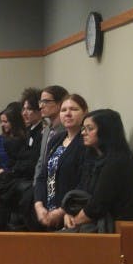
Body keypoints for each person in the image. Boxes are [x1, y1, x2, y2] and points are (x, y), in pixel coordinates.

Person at [64, 109, 133, 232]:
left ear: (106, 130)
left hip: (110, 227)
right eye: (83, 128)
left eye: (90, 128)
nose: (83, 133)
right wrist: (69, 214)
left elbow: (98, 205)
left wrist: (76, 220)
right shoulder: (91, 157)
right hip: (87, 221)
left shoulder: (118, 161)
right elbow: (80, 190)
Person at [34, 94, 90, 231]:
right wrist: (39, 205)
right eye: (64, 110)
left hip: (70, 214)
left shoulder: (86, 142)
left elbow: (84, 182)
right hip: (48, 212)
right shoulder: (56, 139)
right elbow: (43, 175)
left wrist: (61, 211)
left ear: (85, 113)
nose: (68, 114)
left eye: (74, 109)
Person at [0, 102, 32, 231]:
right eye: (1, 122)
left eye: (6, 121)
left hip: (19, 186)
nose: (3, 125)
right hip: (3, 186)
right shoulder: (0, 139)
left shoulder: (26, 137)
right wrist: (2, 172)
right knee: (2, 224)